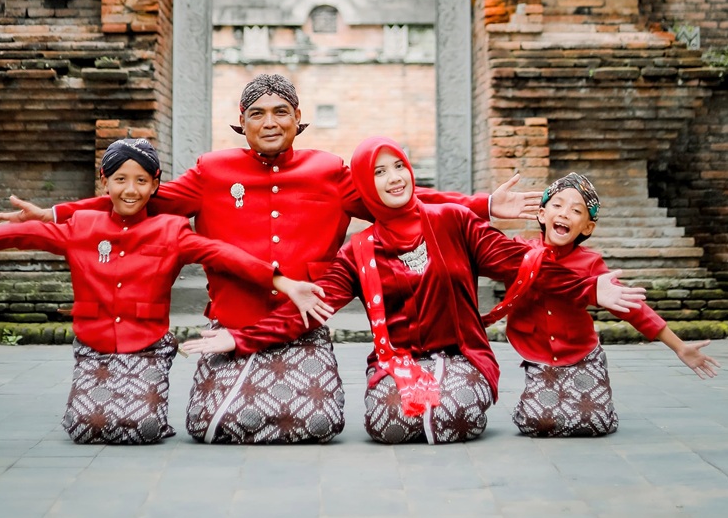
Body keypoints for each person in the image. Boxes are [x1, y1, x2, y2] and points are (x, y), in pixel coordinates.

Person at [0, 75, 543, 446]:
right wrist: (58, 212)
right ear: (241, 123)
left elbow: (397, 196)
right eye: (256, 113)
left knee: (316, 421)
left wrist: (483, 206)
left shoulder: (328, 171)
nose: (269, 121)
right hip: (233, 319)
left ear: (298, 118)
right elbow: (140, 201)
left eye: (280, 111)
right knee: (211, 424)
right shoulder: (211, 171)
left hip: (303, 321)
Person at [182, 137, 644, 445]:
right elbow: (311, 306)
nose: (394, 178)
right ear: (366, 188)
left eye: (399, 166)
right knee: (389, 423)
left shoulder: (454, 221)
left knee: (452, 408)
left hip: (461, 356)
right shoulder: (358, 251)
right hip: (396, 360)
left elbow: (523, 265)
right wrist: (239, 339)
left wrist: (589, 288)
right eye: (379, 173)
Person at [0, 138, 328, 446]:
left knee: (142, 428)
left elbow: (225, 255)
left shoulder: (172, 230)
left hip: (147, 345)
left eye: (141, 180)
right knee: (87, 427)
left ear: (155, 185)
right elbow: (21, 235)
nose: (130, 190)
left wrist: (283, 281)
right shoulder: (81, 227)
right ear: (104, 182)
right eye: (120, 179)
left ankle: (153, 414)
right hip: (95, 345)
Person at [481, 172, 721, 437]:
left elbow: (633, 308)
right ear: (541, 214)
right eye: (557, 205)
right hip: (538, 356)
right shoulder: (517, 252)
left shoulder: (591, 263)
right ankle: (535, 406)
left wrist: (679, 347)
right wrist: (488, 207)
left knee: (595, 423)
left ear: (587, 227)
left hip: (582, 354)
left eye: (576, 211)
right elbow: (471, 241)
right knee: (538, 423)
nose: (564, 214)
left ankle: (595, 400)